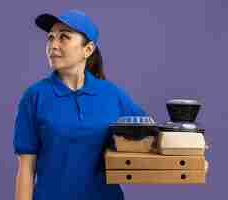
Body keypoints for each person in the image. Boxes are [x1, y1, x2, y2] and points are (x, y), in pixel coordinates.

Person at [13, 9, 149, 200]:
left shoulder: (112, 95)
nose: (53, 45)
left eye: (64, 37)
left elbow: (149, 136)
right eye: (50, 38)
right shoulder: (35, 96)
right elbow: (26, 169)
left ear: (88, 49)